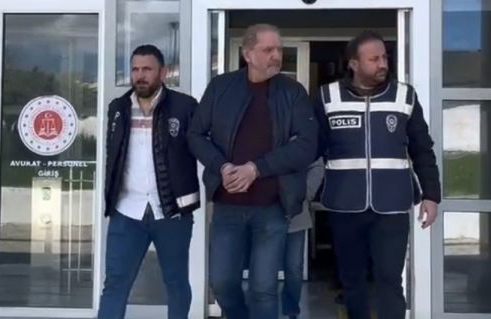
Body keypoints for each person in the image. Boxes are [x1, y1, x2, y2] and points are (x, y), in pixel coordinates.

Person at [187, 23, 318, 319]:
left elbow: (307, 145)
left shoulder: (293, 92)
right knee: (222, 282)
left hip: (273, 206)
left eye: (279, 49)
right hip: (227, 206)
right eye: (267, 49)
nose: (276, 56)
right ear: (247, 54)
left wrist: (256, 169)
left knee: (263, 288)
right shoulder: (221, 87)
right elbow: (195, 134)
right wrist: (221, 166)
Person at [314, 31, 441, 319]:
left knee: (389, 280)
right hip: (344, 205)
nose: (383, 63)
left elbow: (422, 149)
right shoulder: (327, 97)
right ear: (353, 64)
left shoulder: (404, 96)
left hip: (392, 206)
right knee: (352, 281)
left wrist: (431, 195)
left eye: (384, 57)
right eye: (374, 59)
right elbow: (311, 148)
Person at [99, 45, 199, 319]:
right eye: (135, 69)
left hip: (172, 213)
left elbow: (202, 148)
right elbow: (113, 156)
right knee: (115, 284)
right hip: (126, 213)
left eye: (147, 69)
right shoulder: (118, 108)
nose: (140, 75)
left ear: (162, 72)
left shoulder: (185, 106)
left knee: (176, 282)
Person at [281, 157, 324, 319]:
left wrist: (303, 194)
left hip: (296, 213)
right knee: (263, 270)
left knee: (294, 267)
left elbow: (317, 166)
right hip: (263, 211)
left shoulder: (301, 140)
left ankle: (291, 310)